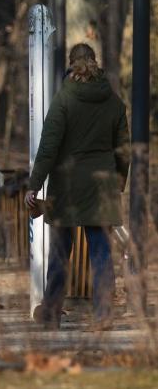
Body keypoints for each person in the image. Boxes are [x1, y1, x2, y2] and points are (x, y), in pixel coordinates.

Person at [25, 43, 130, 331]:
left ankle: (51, 313)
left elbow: (48, 148)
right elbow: (124, 151)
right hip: (102, 185)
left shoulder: (63, 101)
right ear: (95, 63)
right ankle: (104, 314)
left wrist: (34, 185)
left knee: (60, 251)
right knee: (101, 252)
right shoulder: (114, 102)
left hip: (67, 185)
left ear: (71, 65)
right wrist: (119, 182)